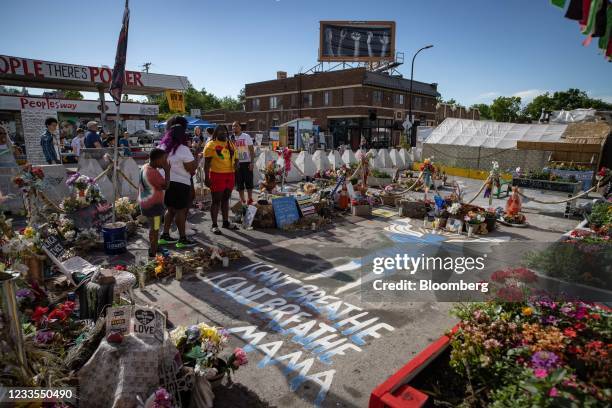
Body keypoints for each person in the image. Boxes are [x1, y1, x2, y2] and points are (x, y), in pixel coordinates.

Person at [158, 116, 200, 248]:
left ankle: (165, 235)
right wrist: (197, 159)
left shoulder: (161, 146)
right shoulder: (183, 149)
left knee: (170, 209)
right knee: (181, 210)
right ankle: (182, 239)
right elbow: (191, 169)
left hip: (166, 182)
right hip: (181, 183)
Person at [204, 125, 239, 234]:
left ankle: (225, 222)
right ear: (216, 133)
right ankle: (214, 225)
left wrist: (236, 164)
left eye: (225, 132)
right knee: (216, 200)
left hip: (230, 175)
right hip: (217, 175)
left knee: (226, 199)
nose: (223, 133)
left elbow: (236, 158)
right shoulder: (211, 145)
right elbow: (206, 164)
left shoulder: (231, 144)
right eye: (220, 132)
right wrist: (206, 177)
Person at [139, 148, 171, 257]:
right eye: (164, 159)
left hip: (146, 204)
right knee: (155, 228)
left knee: (153, 228)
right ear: (157, 159)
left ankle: (154, 246)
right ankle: (153, 251)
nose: (166, 162)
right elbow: (166, 186)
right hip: (154, 207)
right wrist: (167, 171)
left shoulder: (145, 167)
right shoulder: (153, 172)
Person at [230, 121, 255, 205]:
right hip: (236, 164)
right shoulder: (231, 138)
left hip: (247, 162)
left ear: (240, 127)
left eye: (236, 126)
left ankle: (250, 199)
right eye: (233, 126)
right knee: (239, 183)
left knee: (249, 182)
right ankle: (242, 200)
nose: (234, 128)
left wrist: (252, 162)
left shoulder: (246, 136)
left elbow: (251, 150)